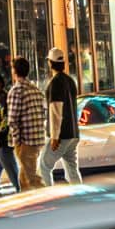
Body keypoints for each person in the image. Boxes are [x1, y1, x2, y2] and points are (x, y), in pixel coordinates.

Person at [5, 56, 47, 192]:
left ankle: (47, 200)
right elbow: (43, 112)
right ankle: (29, 204)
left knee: (31, 177)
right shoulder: (36, 89)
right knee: (25, 177)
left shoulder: (16, 90)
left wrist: (16, 140)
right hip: (37, 137)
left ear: (14, 71)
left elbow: (12, 119)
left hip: (25, 140)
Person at [41, 51, 82, 185]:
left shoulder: (55, 82)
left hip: (62, 135)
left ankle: (48, 197)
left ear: (50, 63)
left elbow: (55, 111)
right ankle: (79, 195)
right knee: (71, 168)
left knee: (43, 166)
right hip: (73, 133)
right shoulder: (70, 81)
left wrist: (54, 136)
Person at [0, 60, 20, 193]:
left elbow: (6, 122)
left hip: (3, 142)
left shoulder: (4, 99)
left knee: (12, 172)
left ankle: (22, 191)